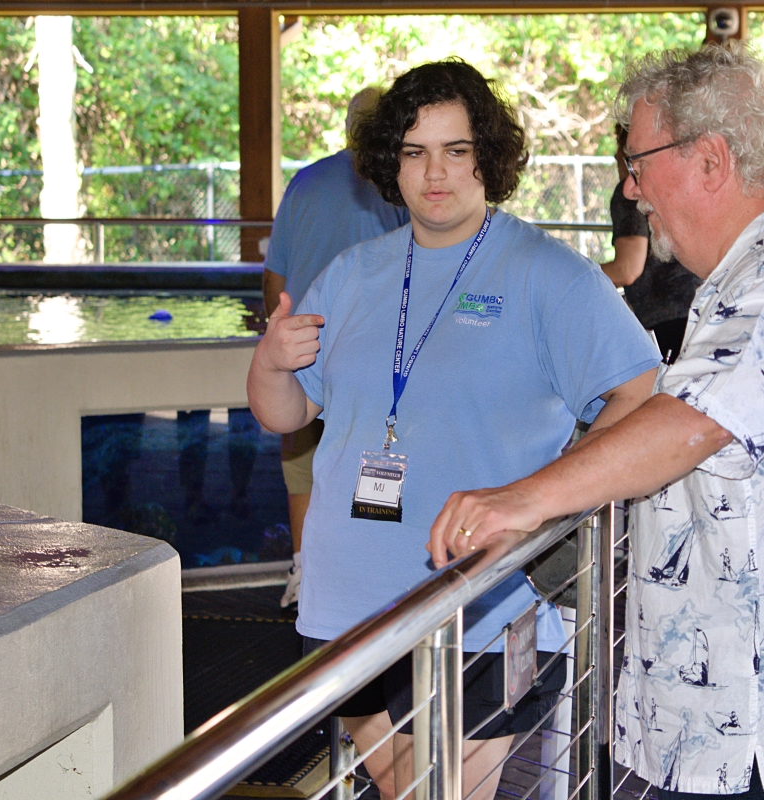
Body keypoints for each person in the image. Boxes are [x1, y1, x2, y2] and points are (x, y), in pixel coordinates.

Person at [429, 46, 764, 798]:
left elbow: (695, 421)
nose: (631, 191)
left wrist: (520, 501)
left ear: (709, 160)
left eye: (638, 163)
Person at [247, 59, 660, 800]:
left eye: (455, 150)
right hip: (347, 603)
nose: (433, 173)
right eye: (414, 152)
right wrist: (272, 363)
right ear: (390, 164)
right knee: (412, 791)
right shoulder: (352, 273)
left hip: (485, 602)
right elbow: (285, 413)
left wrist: (549, 491)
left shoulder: (549, 273)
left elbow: (638, 389)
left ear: (488, 158)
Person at [263, 88, 411, 606]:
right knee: (374, 454)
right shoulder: (397, 188)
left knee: (302, 465)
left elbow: (274, 281)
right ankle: (370, 571)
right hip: (373, 354)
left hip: (306, 348)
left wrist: (280, 341)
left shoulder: (303, 183)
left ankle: (306, 572)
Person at [601, 122, 701, 364]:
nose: (616, 156)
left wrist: (575, 277)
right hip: (700, 311)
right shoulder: (679, 183)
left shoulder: (631, 193)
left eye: (622, 150)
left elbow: (627, 269)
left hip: (664, 320)